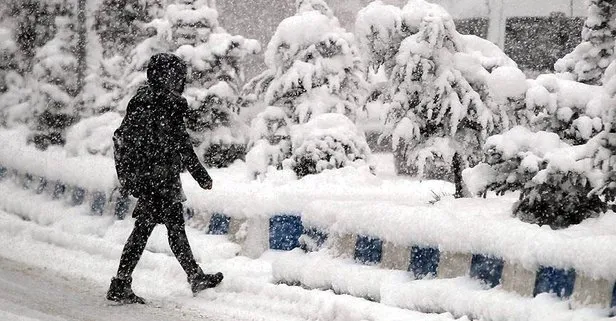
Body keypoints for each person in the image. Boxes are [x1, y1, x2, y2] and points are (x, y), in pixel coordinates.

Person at [107, 53, 223, 304]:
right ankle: (122, 282)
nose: (180, 80)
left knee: (165, 228)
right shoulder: (167, 104)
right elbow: (182, 144)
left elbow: (125, 137)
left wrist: (132, 175)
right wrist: (201, 175)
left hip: (147, 177)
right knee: (155, 230)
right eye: (177, 76)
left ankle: (192, 276)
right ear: (168, 77)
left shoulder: (140, 100)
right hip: (160, 179)